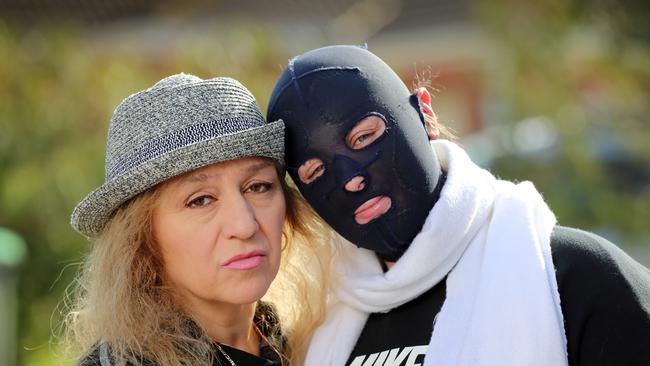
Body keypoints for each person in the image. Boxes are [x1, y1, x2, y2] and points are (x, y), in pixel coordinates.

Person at [266, 45, 650, 366]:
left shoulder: (574, 277)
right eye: (315, 170)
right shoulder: (314, 330)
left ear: (424, 114)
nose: (350, 178)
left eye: (364, 137)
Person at [63, 73, 329, 366]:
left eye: (258, 186)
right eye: (200, 200)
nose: (244, 225)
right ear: (141, 237)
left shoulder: (318, 347)